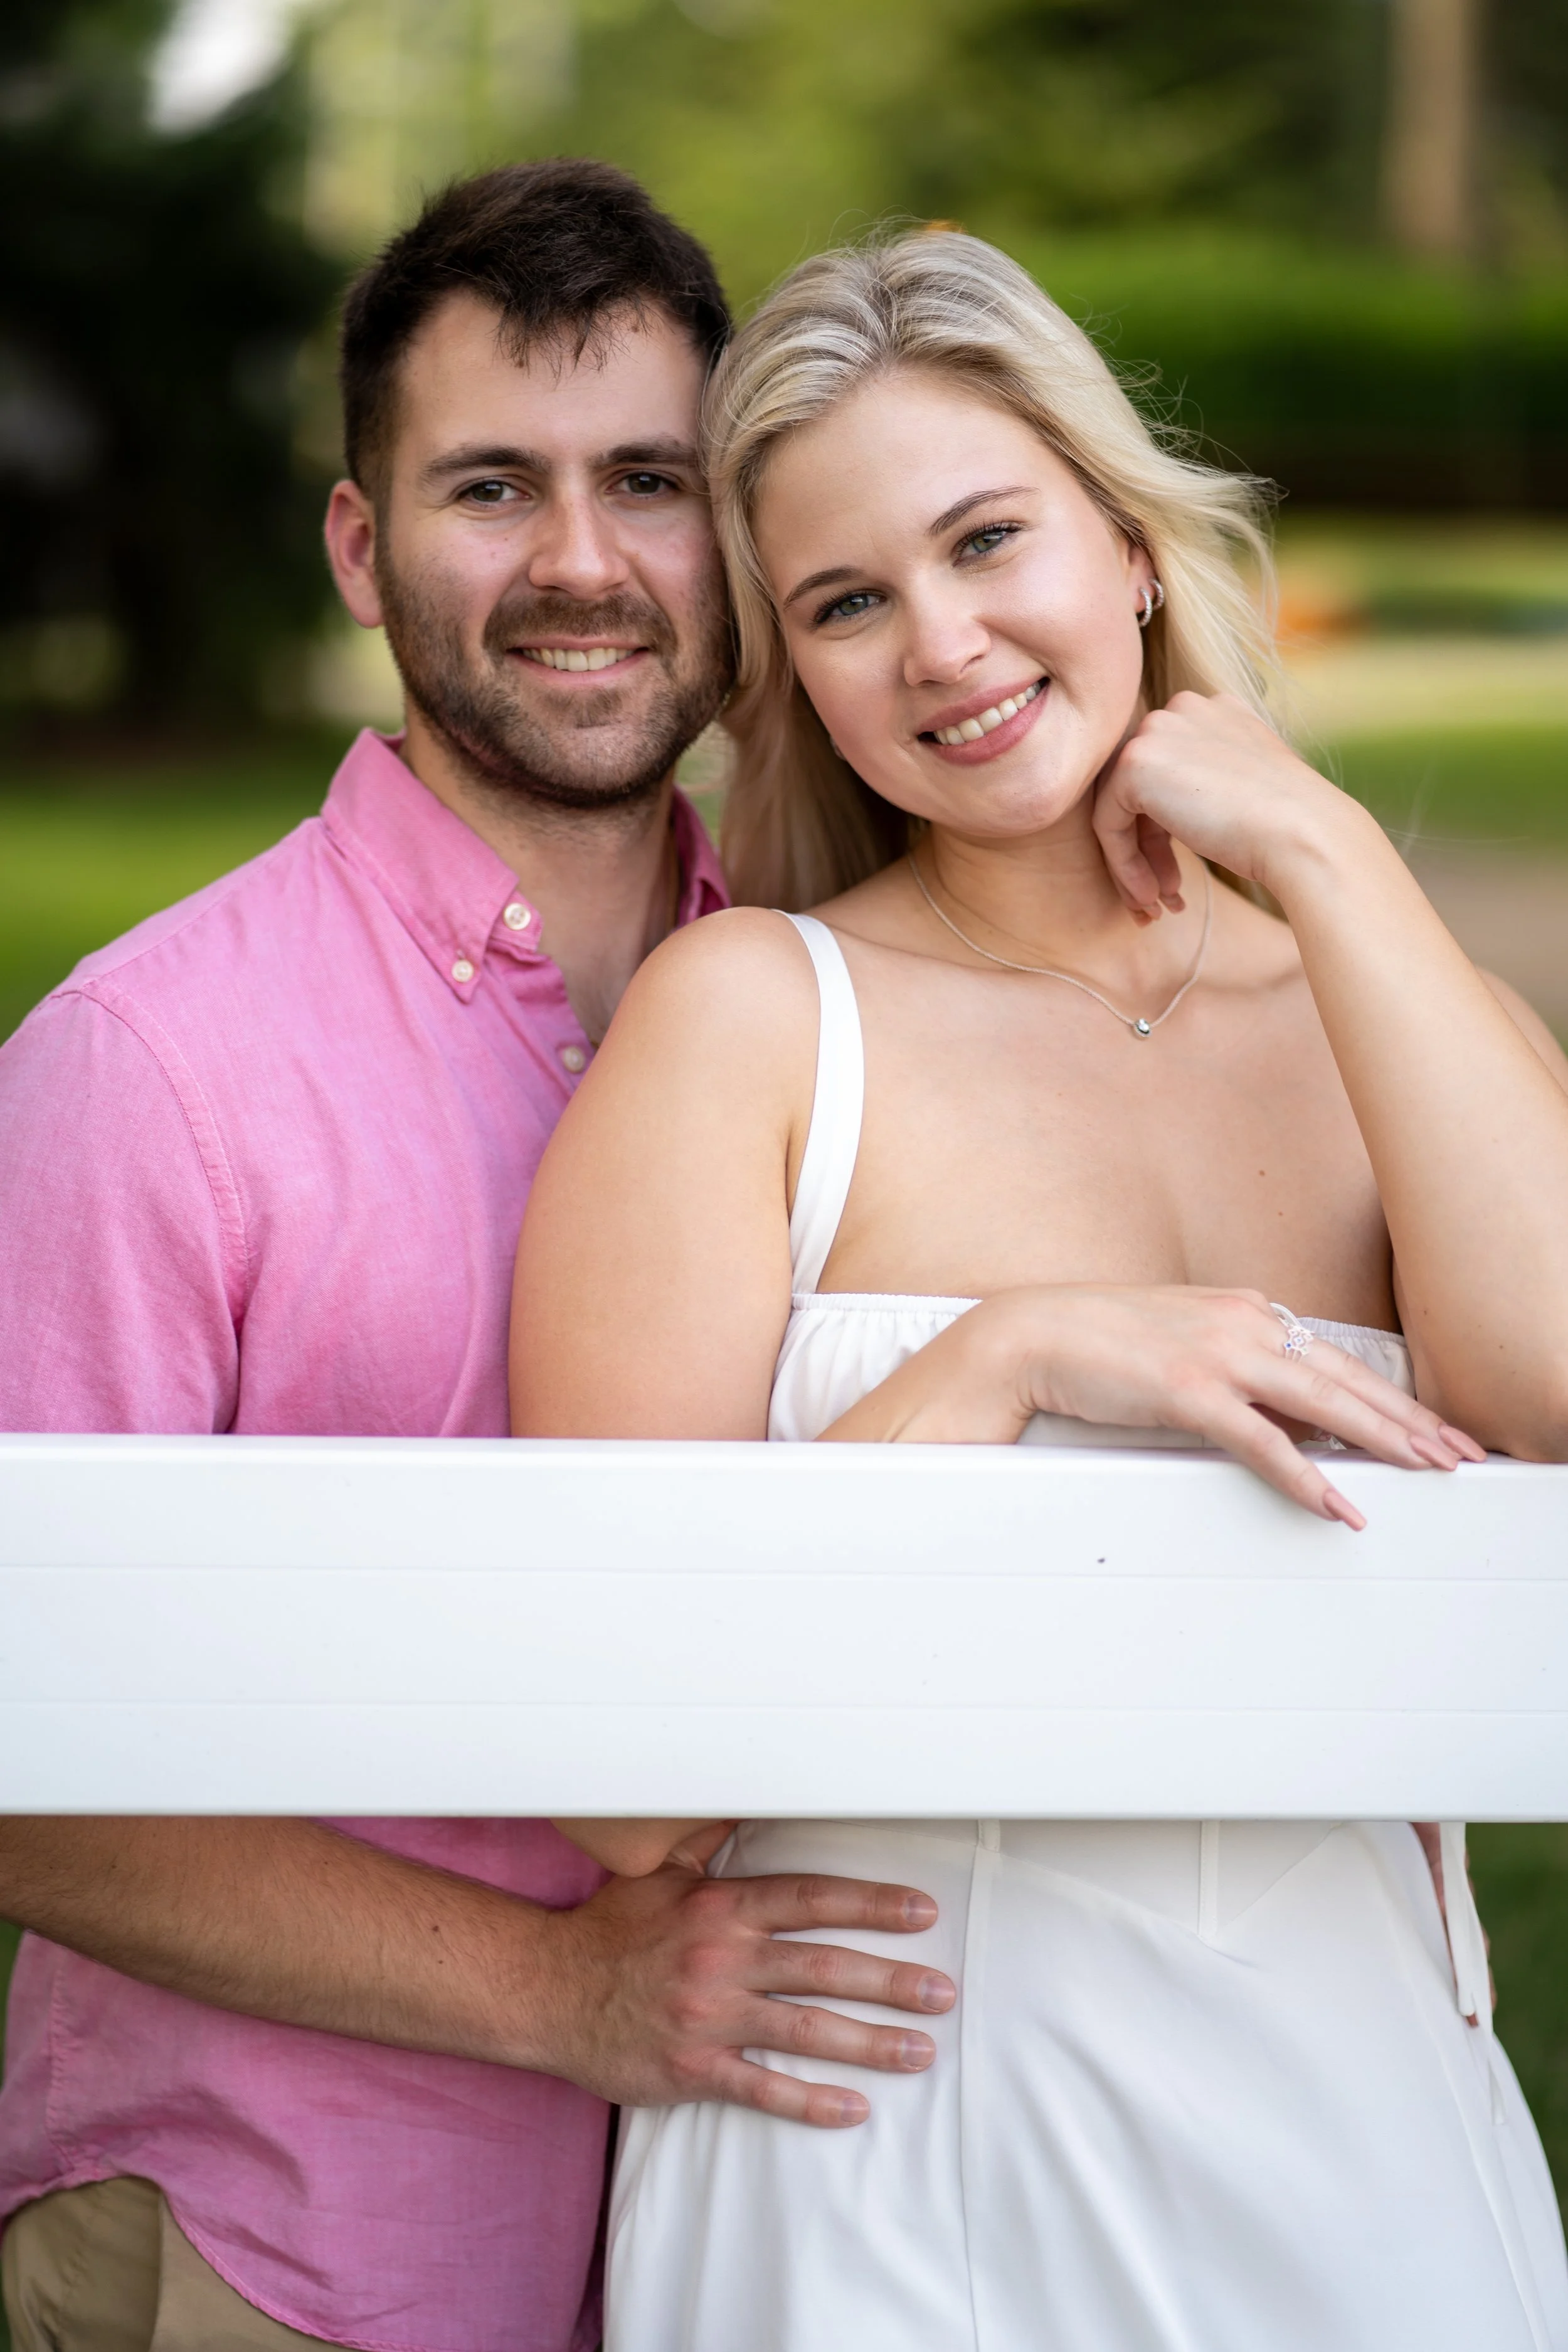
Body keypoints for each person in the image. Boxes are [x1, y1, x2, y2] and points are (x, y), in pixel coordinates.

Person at [512, 230, 1568, 2349]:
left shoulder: (1388, 1013)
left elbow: (1542, 1405)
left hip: (1353, 2109)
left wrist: (1334, 861)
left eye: (990, 539)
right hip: (888, 2129)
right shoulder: (751, 1021)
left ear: (1130, 541)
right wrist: (1004, 1359)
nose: (943, 644)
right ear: (790, 669)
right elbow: (626, 1784)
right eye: (844, 600)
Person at [0, 164, 964, 2352]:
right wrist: (552, 1986)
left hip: (777, 2251)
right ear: (360, 548)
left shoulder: (840, 1011)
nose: (580, 567)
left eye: (646, 481)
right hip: (290, 2247)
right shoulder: (150, 1066)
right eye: (487, 488)